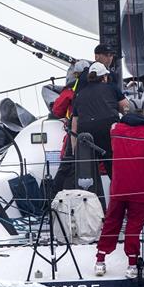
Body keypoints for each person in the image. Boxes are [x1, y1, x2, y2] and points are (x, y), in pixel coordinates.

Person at [95, 107, 144, 279]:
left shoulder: (115, 129)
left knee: (111, 221)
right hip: (141, 188)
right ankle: (132, 265)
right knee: (133, 227)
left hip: (119, 187)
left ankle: (100, 261)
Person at [71, 62, 129, 178]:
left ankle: (94, 193)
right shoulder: (111, 88)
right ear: (104, 77)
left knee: (88, 173)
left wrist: (75, 150)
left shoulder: (79, 95)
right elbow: (126, 109)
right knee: (114, 169)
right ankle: (118, 191)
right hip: (108, 130)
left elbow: (74, 124)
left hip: (86, 134)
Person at [51, 60, 89, 196]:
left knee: (68, 162)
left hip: (75, 130)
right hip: (94, 129)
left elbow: (57, 110)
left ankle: (56, 195)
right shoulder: (100, 87)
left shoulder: (70, 91)